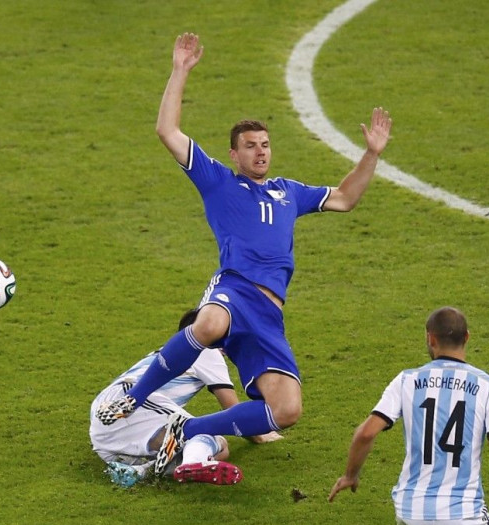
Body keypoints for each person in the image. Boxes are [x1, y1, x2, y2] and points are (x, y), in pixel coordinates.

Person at [96, 32, 392, 476]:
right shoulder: (219, 181)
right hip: (234, 288)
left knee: (287, 409)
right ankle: (133, 398)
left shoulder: (290, 192)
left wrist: (371, 154)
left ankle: (192, 429)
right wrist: (179, 71)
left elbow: (346, 198)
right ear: (234, 154)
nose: (260, 151)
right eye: (251, 145)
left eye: (266, 144)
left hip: (269, 315)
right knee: (209, 322)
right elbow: (167, 131)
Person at [329, 307, 489, 525]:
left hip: (411, 512)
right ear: (467, 337)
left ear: (431, 338)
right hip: (462, 513)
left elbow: (366, 433)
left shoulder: (406, 380)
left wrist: (350, 475)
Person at [91, 309, 281, 487]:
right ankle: (192, 462)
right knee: (200, 434)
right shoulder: (207, 351)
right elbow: (231, 408)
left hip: (106, 428)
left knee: (219, 446)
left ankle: (139, 471)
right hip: (130, 405)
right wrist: (259, 436)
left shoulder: (170, 351)